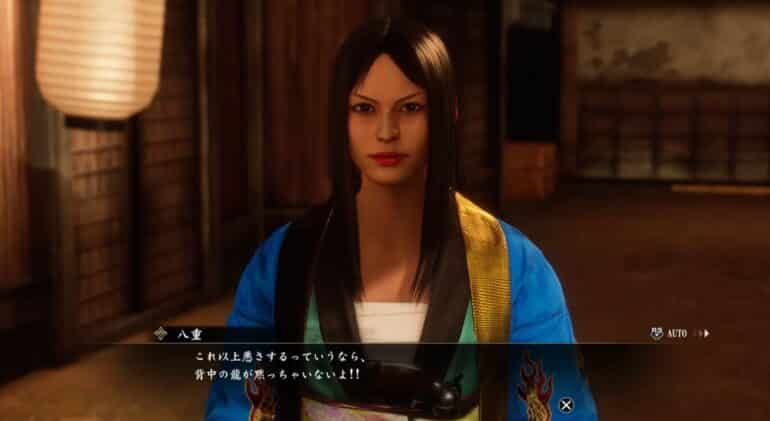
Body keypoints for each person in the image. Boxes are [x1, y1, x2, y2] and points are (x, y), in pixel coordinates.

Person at [205, 17, 597, 421]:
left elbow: (561, 408)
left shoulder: (511, 265)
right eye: (364, 108)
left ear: (447, 113)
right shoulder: (284, 260)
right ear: (341, 118)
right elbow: (237, 406)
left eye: (410, 108)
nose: (386, 131)